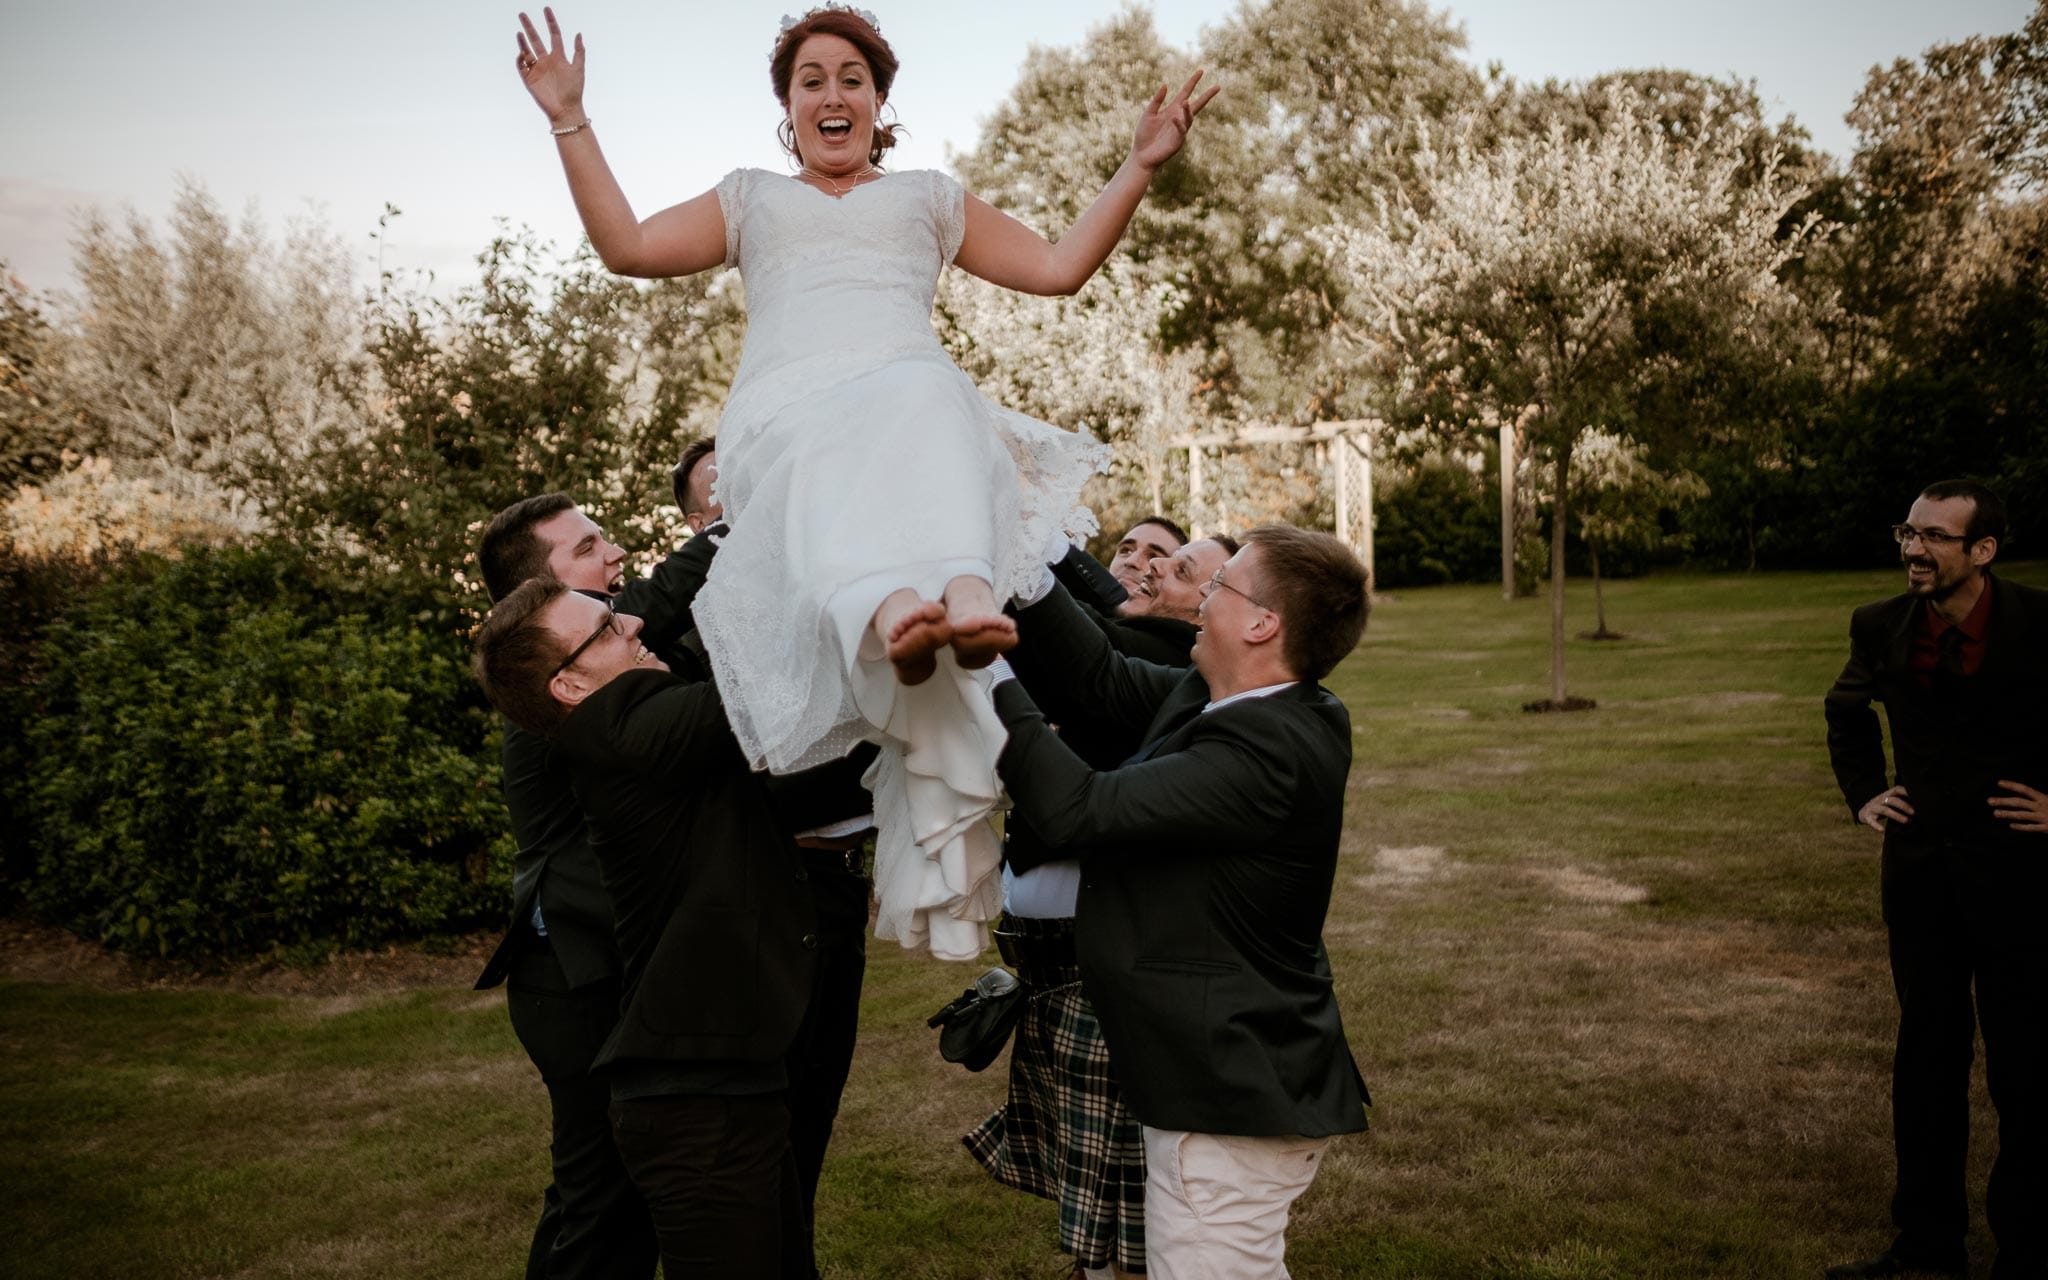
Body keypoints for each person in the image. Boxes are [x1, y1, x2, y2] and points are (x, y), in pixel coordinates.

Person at [511, 4, 1215, 960]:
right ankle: (897, 622)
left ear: (880, 100)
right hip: (787, 421)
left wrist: (1138, 165)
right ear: (789, 107)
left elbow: (1055, 268)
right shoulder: (750, 198)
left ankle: (961, 606)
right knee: (897, 408)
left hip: (911, 405)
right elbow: (628, 247)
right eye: (812, 80)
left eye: (851, 78)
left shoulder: (928, 196)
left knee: (932, 388)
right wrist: (568, 117)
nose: (832, 94)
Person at [987, 524, 1373, 1279]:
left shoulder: (1270, 748)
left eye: (1222, 585)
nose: (1201, 601)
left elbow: (1081, 811)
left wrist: (985, 679)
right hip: (1215, 1081)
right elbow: (1098, 674)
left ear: (1263, 623)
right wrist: (1019, 559)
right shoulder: (1223, 698)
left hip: (1228, 1099)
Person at [474, 577, 868, 1279]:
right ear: (569, 685)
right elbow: (781, 693)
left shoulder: (650, 739)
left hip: (732, 1086)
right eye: (604, 629)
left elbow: (800, 779)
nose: (630, 624)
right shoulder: (616, 727)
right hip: (695, 1111)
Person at [965, 529, 1235, 1279]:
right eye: (1135, 550)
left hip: (1112, 963)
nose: (1146, 566)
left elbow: (1092, 661)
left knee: (1132, 1205)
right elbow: (1086, 650)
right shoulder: (1161, 663)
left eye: (1177, 565)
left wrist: (1034, 543)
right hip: (1054, 958)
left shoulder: (1176, 666)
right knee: (1095, 1193)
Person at [471, 491, 727, 1280]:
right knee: (599, 1196)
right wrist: (731, 523)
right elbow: (657, 602)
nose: (614, 556)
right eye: (587, 548)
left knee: (633, 1190)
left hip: (611, 964)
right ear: (541, 590)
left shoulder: (617, 651)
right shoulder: (559, 676)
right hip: (573, 973)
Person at [1823, 480, 2047, 1280]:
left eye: (1935, 538)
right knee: (1927, 1060)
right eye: (1907, 533)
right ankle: (1927, 1245)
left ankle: (2029, 1246)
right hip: (1920, 879)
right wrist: (1863, 795)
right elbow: (1845, 711)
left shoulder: (2040, 623)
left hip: (2023, 883)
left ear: (1982, 550)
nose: (1914, 550)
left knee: (2027, 1068)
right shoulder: (1879, 625)